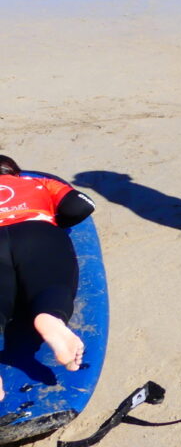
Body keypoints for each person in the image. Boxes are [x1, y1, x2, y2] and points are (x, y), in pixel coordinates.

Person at [0, 155, 96, 401]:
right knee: (50, 283)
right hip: (38, 231)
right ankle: (50, 317)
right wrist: (54, 220)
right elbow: (80, 206)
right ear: (14, 172)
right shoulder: (37, 181)